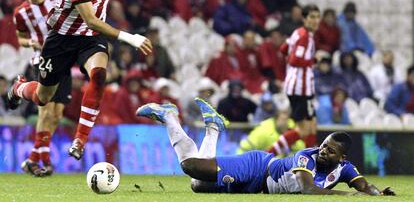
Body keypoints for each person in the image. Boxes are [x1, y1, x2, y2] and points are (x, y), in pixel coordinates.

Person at [7, 0, 153, 160]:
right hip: (62, 40)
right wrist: (130, 38)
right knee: (42, 98)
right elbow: (91, 19)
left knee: (99, 76)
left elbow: (92, 27)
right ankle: (18, 88)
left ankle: (80, 140)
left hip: (90, 38)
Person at [136, 101, 395, 195]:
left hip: (256, 187)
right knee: (190, 167)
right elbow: (308, 190)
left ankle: (214, 127)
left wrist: (378, 194)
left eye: (329, 151)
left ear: (342, 158)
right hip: (259, 167)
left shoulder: (345, 169)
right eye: (324, 146)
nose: (323, 151)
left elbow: (364, 186)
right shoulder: (307, 157)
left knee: (197, 185)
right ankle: (170, 116)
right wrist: (347, 196)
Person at [13, 0, 72, 176]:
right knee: (45, 110)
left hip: (64, 59)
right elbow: (20, 37)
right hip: (41, 61)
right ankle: (45, 161)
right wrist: (30, 42)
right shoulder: (21, 12)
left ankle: (32, 159)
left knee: (56, 115)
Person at [268, 4, 320, 156]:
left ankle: (312, 163)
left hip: (299, 88)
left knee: (311, 126)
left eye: (318, 17)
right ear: (304, 19)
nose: (316, 21)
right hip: (301, 89)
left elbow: (284, 49)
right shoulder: (305, 37)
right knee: (304, 129)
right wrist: (313, 61)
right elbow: (294, 60)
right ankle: (268, 155)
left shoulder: (297, 33)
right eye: (312, 17)